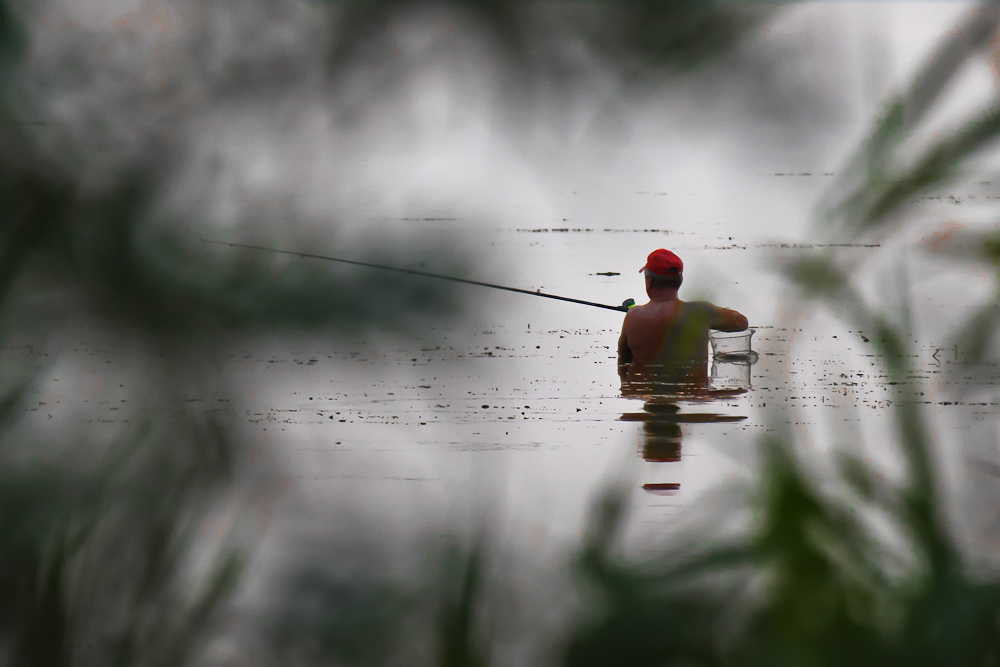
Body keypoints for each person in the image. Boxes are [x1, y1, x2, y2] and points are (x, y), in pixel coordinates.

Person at [618, 249, 748, 396]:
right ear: (680, 281)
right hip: (697, 399)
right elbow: (742, 323)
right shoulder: (700, 311)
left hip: (645, 394)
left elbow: (623, 363)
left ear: (649, 281)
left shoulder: (633, 315)